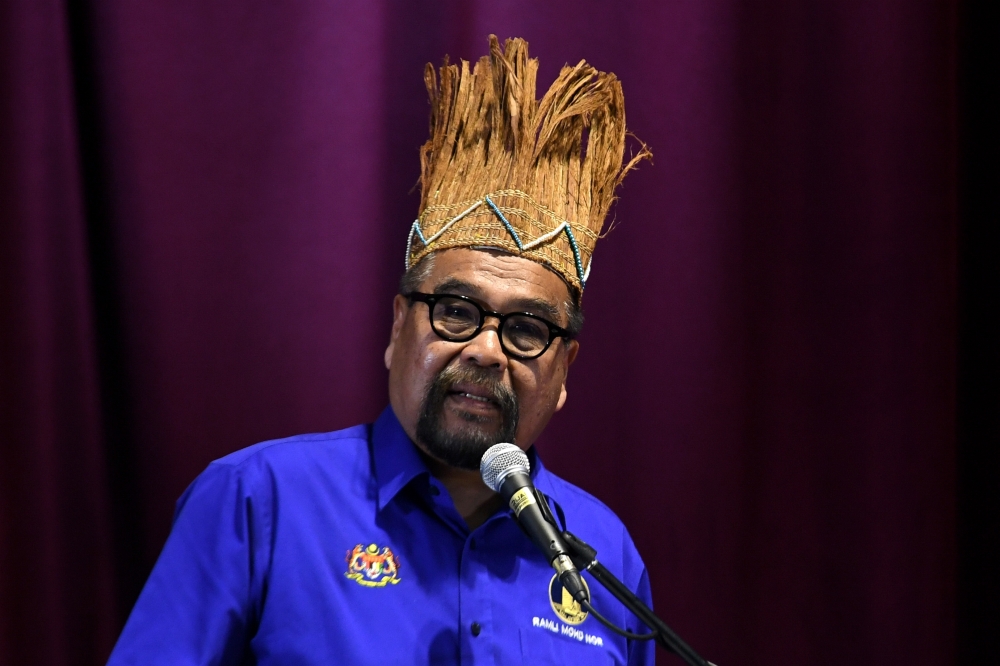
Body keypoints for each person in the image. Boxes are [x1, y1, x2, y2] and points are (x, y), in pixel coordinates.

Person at [108, 35, 653, 665]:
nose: (485, 350)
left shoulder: (604, 556)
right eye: (456, 312)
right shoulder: (258, 503)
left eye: (527, 330)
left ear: (564, 372)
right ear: (398, 328)